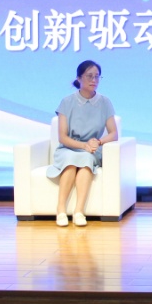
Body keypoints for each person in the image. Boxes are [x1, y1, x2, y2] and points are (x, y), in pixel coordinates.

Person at [46, 60, 118, 227]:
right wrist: (83, 145)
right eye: (89, 76)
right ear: (79, 78)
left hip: (91, 149)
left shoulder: (105, 102)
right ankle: (61, 209)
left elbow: (114, 133)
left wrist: (98, 142)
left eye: (97, 76)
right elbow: (62, 137)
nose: (94, 80)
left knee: (86, 160)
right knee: (70, 161)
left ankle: (79, 211)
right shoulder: (67, 102)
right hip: (69, 147)